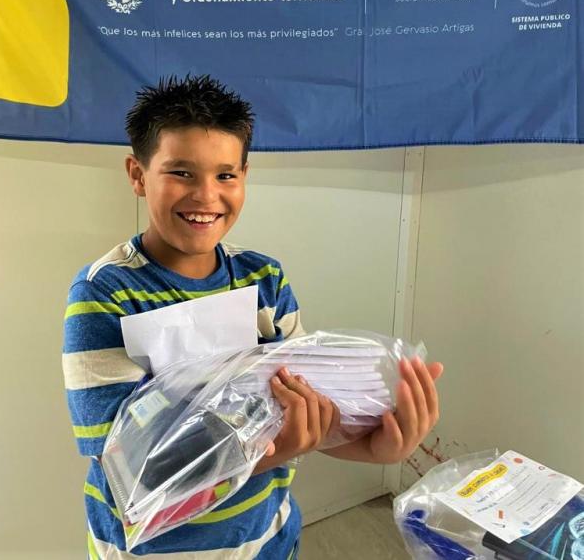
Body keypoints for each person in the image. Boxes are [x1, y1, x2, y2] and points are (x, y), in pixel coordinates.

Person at [62, 75, 443, 559]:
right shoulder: (104, 293)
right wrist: (273, 451)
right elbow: (124, 464)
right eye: (181, 172)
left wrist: (374, 449)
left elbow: (310, 412)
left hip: (265, 535)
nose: (205, 196)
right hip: (153, 550)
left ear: (245, 175)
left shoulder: (263, 278)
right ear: (138, 175)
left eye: (226, 175)